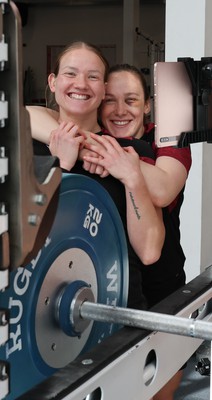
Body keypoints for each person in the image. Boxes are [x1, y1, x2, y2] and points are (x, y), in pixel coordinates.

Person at [28, 49, 192, 399]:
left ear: (148, 106)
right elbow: (27, 114)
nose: (120, 110)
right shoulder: (38, 134)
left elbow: (161, 196)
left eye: (131, 100)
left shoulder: (145, 150)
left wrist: (129, 172)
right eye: (70, 74)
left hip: (149, 297)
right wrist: (72, 156)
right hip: (54, 313)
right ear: (53, 83)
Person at [31, 41, 165, 313]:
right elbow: (24, 239)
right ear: (53, 82)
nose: (81, 84)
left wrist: (132, 177)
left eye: (92, 76)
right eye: (70, 73)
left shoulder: (131, 152)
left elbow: (150, 251)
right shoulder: (26, 145)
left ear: (103, 89)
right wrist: (64, 166)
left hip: (116, 308)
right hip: (41, 313)